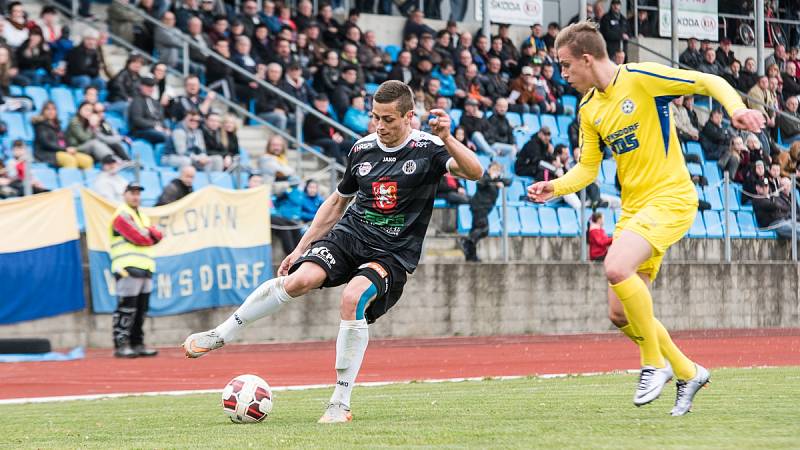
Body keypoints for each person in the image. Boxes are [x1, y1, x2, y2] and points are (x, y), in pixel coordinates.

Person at [182, 80, 483, 423]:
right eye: (375, 118)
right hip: (350, 235)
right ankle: (221, 335)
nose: (380, 126)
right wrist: (300, 248)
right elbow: (338, 202)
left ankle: (340, 402)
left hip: (391, 252)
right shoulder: (362, 149)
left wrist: (447, 137)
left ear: (409, 117)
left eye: (388, 119)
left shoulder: (429, 148)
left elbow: (475, 172)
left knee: (352, 298)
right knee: (298, 281)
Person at [528, 21, 764, 416]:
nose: (562, 74)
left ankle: (653, 364)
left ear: (587, 59)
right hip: (635, 209)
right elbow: (588, 169)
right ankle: (689, 371)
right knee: (619, 313)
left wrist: (737, 110)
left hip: (671, 198)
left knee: (616, 267)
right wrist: (556, 187)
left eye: (566, 66)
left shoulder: (639, 77)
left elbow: (707, 81)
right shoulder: (588, 108)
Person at [110, 182, 163, 358]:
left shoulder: (142, 217)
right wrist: (149, 234)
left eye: (138, 193)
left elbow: (157, 235)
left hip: (146, 267)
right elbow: (141, 237)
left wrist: (149, 234)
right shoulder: (122, 215)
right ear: (124, 194)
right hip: (127, 267)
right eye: (132, 193)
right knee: (127, 308)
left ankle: (137, 343)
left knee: (141, 309)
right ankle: (121, 344)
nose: (136, 196)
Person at [461, 161, 510, 262]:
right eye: (494, 169)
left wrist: (498, 181)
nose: (496, 172)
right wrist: (491, 178)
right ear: (489, 169)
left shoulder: (496, 180)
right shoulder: (484, 176)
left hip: (485, 208)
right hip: (479, 206)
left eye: (498, 170)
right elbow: (480, 183)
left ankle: (471, 256)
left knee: (476, 229)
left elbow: (509, 181)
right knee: (484, 229)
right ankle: (467, 241)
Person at [33, 101, 93, 169]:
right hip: (47, 153)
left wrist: (69, 148)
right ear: (43, 111)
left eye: (53, 109)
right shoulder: (40, 125)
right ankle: (71, 179)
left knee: (87, 160)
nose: (51, 111)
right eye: (48, 109)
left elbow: (64, 140)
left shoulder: (57, 125)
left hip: (61, 151)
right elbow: (47, 143)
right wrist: (65, 149)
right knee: (69, 160)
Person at [128, 77, 169, 144]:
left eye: (152, 87)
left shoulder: (155, 102)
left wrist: (166, 128)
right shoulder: (137, 101)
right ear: (141, 86)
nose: (150, 89)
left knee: (173, 135)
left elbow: (161, 118)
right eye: (147, 86)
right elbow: (137, 120)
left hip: (156, 128)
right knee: (165, 137)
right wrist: (154, 125)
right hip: (141, 130)